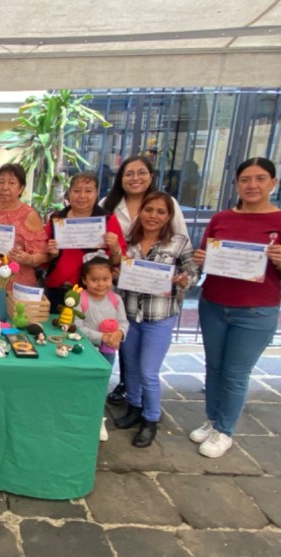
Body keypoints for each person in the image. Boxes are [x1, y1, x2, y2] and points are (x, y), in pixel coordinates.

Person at [191, 157, 281, 458]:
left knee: (235, 373)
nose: (252, 185)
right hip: (214, 304)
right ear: (237, 184)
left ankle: (225, 430)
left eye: (259, 178)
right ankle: (213, 419)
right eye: (245, 179)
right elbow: (204, 254)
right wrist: (202, 258)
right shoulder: (221, 219)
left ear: (273, 183)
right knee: (213, 368)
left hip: (255, 310)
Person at [113, 192, 199, 448]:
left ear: (169, 216)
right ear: (142, 212)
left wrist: (185, 280)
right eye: (149, 210)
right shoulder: (128, 241)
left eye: (160, 212)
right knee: (131, 367)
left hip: (159, 316)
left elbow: (193, 273)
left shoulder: (178, 243)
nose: (153, 216)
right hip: (130, 314)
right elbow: (118, 274)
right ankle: (135, 408)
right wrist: (117, 271)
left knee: (149, 371)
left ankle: (151, 419)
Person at [100, 155, 188, 406]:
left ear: (151, 176)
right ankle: (129, 391)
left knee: (147, 362)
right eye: (129, 173)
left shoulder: (167, 203)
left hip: (155, 300)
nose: (135, 178)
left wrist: (181, 279)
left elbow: (182, 246)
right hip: (122, 289)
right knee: (123, 340)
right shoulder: (110, 203)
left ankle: (146, 409)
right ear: (121, 178)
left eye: (141, 173)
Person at [42, 171, 125, 313]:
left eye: (88, 191)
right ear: (69, 193)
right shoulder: (56, 219)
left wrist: (115, 247)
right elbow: (43, 259)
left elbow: (116, 261)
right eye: (77, 191)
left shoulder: (107, 220)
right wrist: (51, 253)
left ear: (96, 193)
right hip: (57, 288)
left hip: (92, 292)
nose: (82, 196)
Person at [0, 163, 47, 310]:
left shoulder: (29, 215)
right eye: (1, 182)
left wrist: (29, 258)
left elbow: (44, 255)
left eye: (11, 183)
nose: (5, 187)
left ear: (21, 188)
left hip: (14, 288)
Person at [74, 253, 129, 442]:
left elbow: (123, 322)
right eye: (94, 280)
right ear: (84, 280)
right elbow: (77, 328)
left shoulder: (116, 300)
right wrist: (102, 337)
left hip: (108, 350)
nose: (100, 284)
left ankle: (98, 419)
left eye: (105, 279)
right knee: (83, 384)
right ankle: (80, 416)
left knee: (101, 384)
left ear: (112, 277)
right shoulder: (80, 299)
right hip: (86, 350)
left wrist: (118, 334)